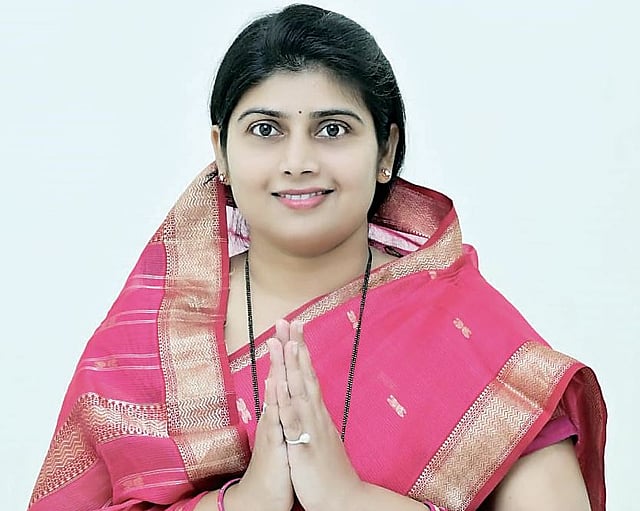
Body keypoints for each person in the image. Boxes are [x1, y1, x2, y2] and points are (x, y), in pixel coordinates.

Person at [28, 4, 606, 511]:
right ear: (221, 153)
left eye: (332, 129)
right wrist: (248, 501)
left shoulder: (474, 338)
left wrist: (349, 499)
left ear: (386, 150)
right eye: (265, 130)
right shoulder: (148, 338)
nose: (299, 160)